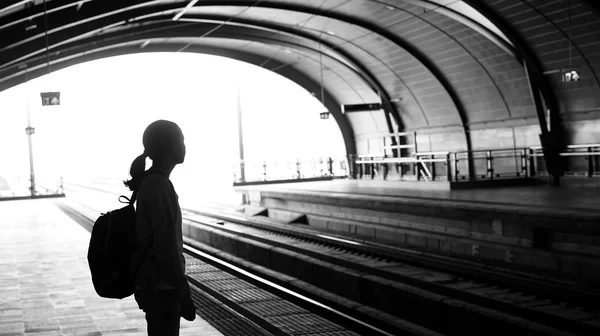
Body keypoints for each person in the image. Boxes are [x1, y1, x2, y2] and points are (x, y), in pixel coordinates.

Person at [124, 120, 196, 336]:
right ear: (173, 146)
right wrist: (183, 291)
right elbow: (165, 246)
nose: (185, 146)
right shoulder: (158, 185)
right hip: (161, 287)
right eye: (182, 140)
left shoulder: (154, 182)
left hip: (155, 284)